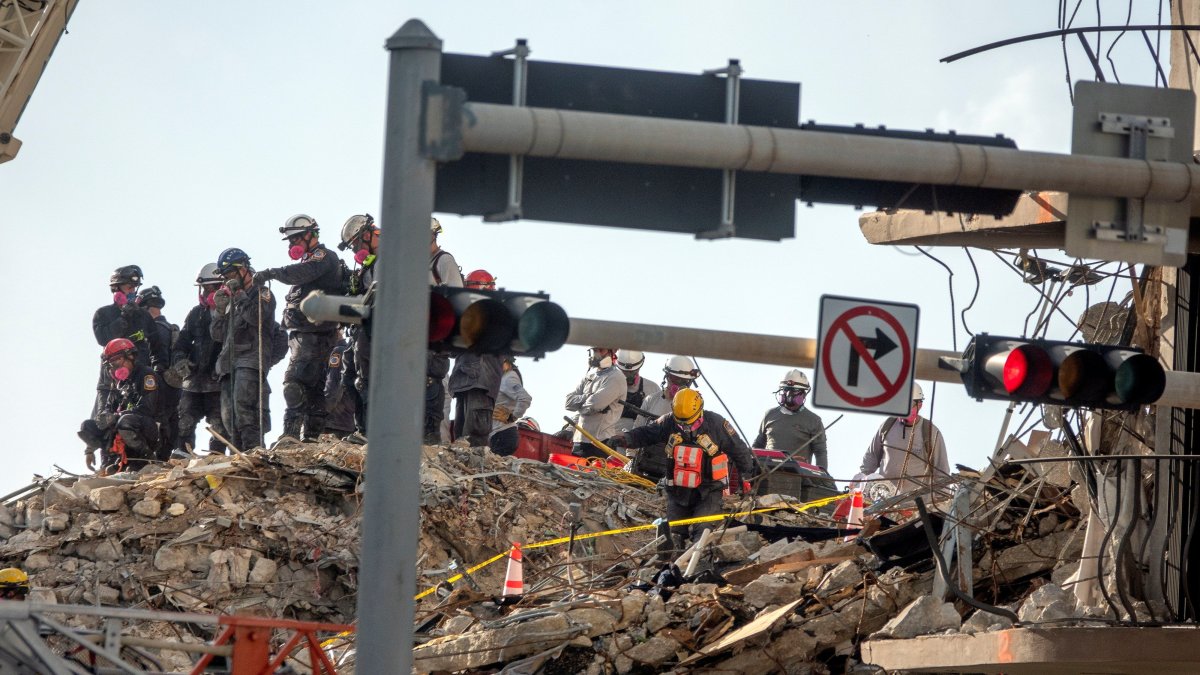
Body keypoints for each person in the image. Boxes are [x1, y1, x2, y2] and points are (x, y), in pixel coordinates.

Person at [605, 389, 758, 544]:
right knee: (673, 534)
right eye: (681, 422)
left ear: (700, 411)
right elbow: (646, 433)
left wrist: (747, 475)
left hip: (708, 491)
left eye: (689, 422)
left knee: (703, 531)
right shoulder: (668, 422)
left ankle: (699, 563)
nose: (685, 427)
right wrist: (625, 438)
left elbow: (738, 449)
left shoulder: (717, 424)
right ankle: (671, 564)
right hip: (678, 491)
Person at [254, 214, 346, 442]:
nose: (293, 245)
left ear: (310, 234)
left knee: (293, 384)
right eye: (291, 241)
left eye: (296, 239)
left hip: (313, 336)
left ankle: (291, 434)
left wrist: (272, 273)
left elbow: (303, 273)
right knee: (314, 391)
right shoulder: (310, 262)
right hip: (309, 335)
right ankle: (311, 438)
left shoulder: (323, 258)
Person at [211, 248, 279, 452]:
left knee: (245, 410)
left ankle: (254, 452)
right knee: (229, 417)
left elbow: (255, 317)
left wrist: (240, 295)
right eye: (226, 277)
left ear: (244, 269)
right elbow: (217, 335)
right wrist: (220, 311)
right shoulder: (232, 300)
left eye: (232, 274)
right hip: (228, 364)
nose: (229, 280)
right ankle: (238, 455)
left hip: (250, 359)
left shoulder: (262, 292)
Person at [78, 338, 161, 473]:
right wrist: (105, 417)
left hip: (149, 429)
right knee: (88, 427)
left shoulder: (146, 375)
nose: (114, 366)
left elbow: (148, 408)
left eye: (116, 360)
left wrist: (116, 416)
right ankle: (115, 460)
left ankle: (147, 458)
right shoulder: (119, 384)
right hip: (124, 427)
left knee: (125, 421)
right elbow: (109, 408)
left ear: (130, 356)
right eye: (110, 363)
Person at [171, 263, 228, 456]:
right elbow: (182, 342)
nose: (206, 292)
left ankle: (216, 456)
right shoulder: (196, 314)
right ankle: (183, 453)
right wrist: (179, 360)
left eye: (211, 288)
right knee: (185, 419)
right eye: (204, 288)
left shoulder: (234, 313)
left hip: (219, 381)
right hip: (194, 380)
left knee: (219, 424)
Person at [859, 382, 950, 495]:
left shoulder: (930, 432)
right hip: (884, 501)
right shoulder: (888, 425)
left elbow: (941, 472)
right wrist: (862, 480)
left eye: (908, 405)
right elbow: (871, 458)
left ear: (919, 405)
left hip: (916, 506)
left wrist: (939, 502)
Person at [447, 270, 503, 447]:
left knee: (474, 437)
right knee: (461, 436)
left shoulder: (494, 313)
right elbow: (452, 349)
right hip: (465, 379)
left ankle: (476, 471)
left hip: (481, 382)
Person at [627, 355, 700, 479]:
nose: (677, 384)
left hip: (675, 466)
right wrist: (630, 456)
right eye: (674, 379)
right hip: (645, 462)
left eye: (682, 381)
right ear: (666, 377)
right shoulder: (651, 400)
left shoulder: (695, 406)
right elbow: (637, 428)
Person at [339, 213, 378, 438]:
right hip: (360, 327)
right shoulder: (368, 264)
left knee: (368, 379)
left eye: (355, 245)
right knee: (351, 379)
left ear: (367, 235)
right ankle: (362, 430)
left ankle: (371, 431)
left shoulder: (393, 257)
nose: (355, 251)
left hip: (376, 328)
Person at [426, 217, 461, 443]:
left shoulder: (443, 261)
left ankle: (433, 443)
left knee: (433, 390)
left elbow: (458, 300)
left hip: (436, 340)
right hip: (417, 337)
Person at [137, 286, 181, 460]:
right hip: (173, 390)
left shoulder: (154, 330)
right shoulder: (170, 328)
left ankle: (157, 462)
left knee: (159, 431)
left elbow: (153, 363)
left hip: (158, 390)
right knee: (172, 429)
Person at [753, 369, 827, 469]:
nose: (788, 394)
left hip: (797, 478)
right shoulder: (770, 415)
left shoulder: (813, 420)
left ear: (803, 394)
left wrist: (822, 477)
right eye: (786, 389)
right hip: (767, 473)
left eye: (794, 391)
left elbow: (820, 452)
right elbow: (758, 445)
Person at [564, 347, 626, 458]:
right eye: (594, 350)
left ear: (611, 353)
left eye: (601, 350)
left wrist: (580, 404)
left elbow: (593, 406)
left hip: (601, 443)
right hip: (579, 441)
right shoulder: (589, 376)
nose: (596, 354)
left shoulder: (616, 377)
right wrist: (588, 397)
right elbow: (568, 402)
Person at [489, 356, 532, 456]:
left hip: (503, 434)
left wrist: (512, 417)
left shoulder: (509, 378)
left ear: (507, 362)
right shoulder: (502, 379)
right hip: (499, 435)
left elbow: (525, 398)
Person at [611, 349, 662, 434]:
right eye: (624, 372)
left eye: (633, 372)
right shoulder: (608, 387)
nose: (628, 376)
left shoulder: (652, 389)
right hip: (610, 440)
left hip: (640, 441)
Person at [323, 334, 360, 442]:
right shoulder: (352, 351)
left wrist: (321, 413)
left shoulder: (339, 351)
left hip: (334, 422)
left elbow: (333, 386)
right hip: (348, 422)